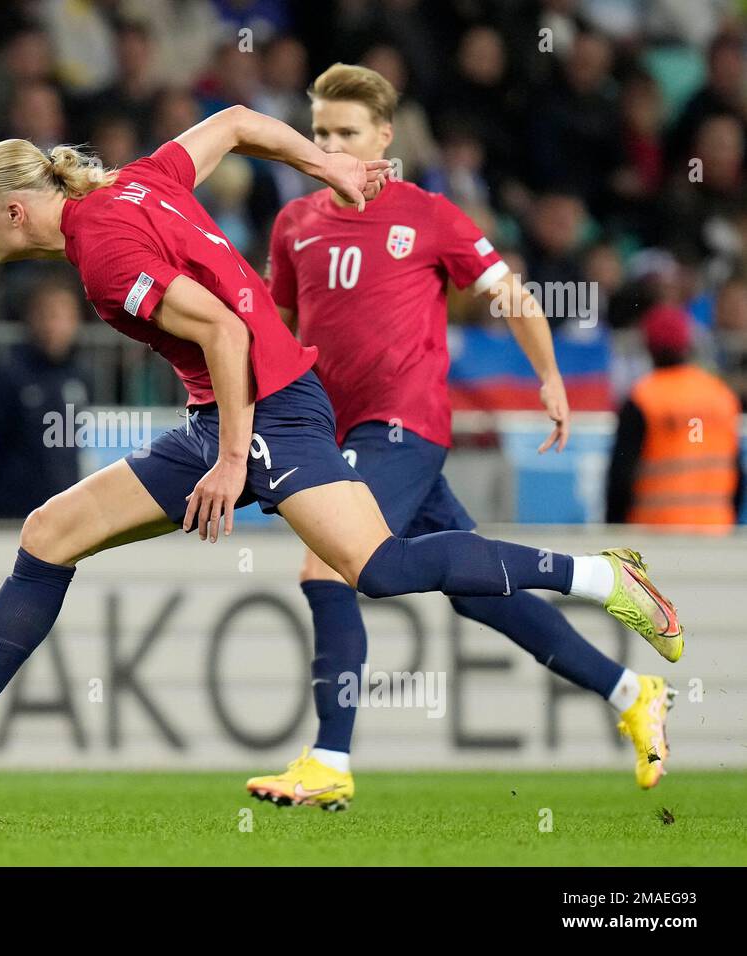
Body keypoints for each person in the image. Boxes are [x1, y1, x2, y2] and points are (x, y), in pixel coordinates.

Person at [0, 104, 683, 789]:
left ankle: (607, 577)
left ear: (15, 208)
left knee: (380, 569)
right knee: (48, 534)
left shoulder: (100, 250)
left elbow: (223, 331)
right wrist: (332, 167)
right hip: (227, 417)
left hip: (267, 413)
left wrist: (235, 459)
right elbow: (237, 119)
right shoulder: (136, 184)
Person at [247, 63, 677, 812]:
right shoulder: (296, 224)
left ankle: (329, 760)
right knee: (475, 591)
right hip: (333, 434)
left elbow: (508, 291)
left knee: (326, 568)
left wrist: (547, 375)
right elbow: (281, 327)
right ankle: (630, 689)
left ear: (384, 137)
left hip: (403, 424)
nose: (330, 146)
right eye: (319, 134)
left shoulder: (430, 216)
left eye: (346, 133)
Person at [606, 303, 743, 529]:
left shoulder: (643, 398)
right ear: (688, 346)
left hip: (654, 531)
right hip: (716, 530)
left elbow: (621, 477)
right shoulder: (722, 395)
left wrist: (613, 531)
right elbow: (737, 471)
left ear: (648, 347)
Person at [0, 278, 89, 518]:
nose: (53, 326)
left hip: (62, 516)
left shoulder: (79, 376)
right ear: (30, 318)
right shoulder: (8, 375)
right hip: (11, 516)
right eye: (46, 315)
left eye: (62, 316)